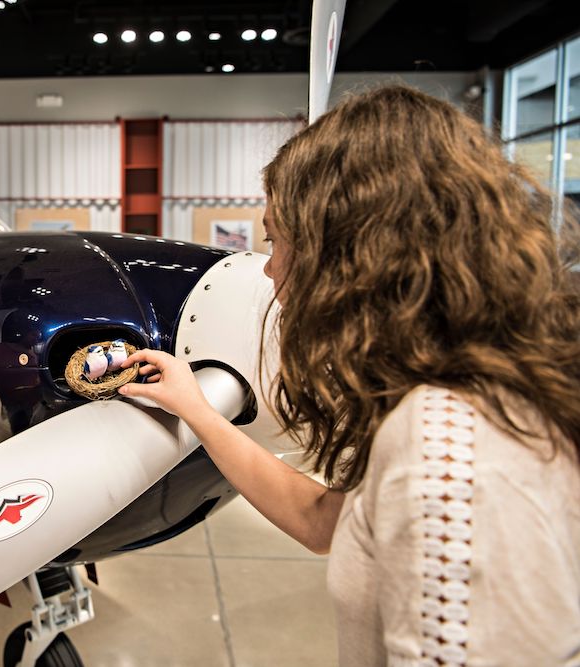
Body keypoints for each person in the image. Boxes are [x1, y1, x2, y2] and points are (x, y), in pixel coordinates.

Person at [120, 85, 580, 665]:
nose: (269, 267)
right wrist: (200, 411)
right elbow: (323, 524)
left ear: (349, 256)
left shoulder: (445, 443)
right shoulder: (481, 391)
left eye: (278, 238)